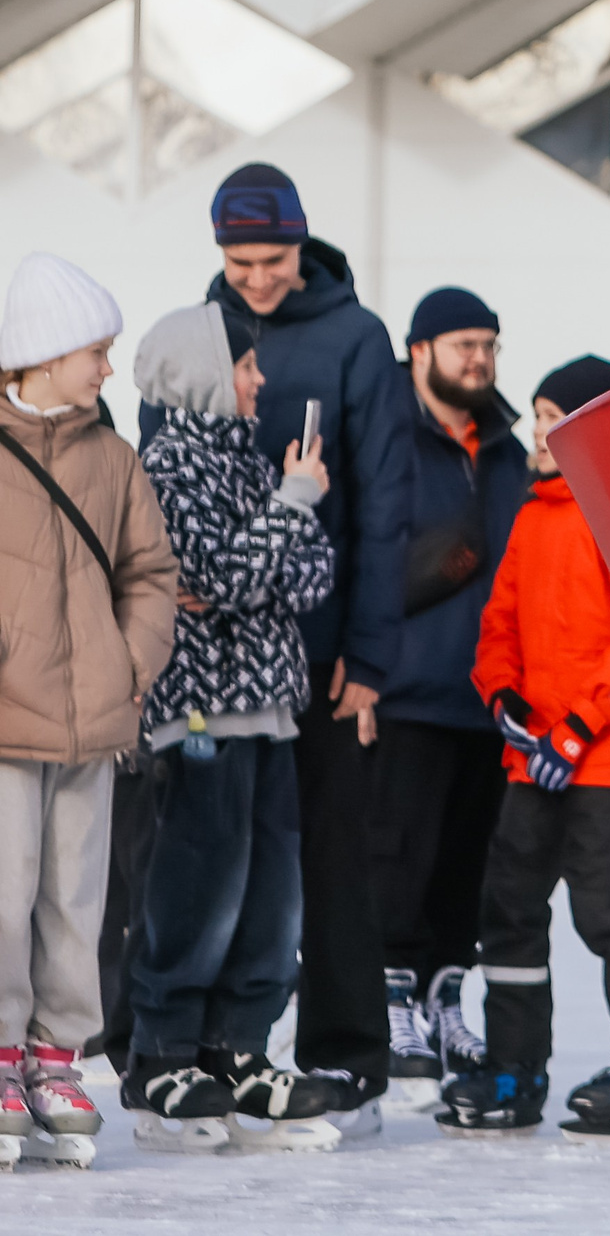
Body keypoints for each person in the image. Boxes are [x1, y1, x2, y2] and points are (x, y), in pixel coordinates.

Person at [142, 162, 414, 1133]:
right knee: (211, 855)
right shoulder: (197, 337)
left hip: (322, 649)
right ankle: (199, 1050)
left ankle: (344, 1054)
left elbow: (384, 509)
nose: (255, 276)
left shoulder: (356, 339)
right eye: (239, 259)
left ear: (303, 246)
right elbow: (159, 503)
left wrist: (370, 654)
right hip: (214, 670)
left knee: (324, 854)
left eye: (273, 258)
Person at [438, 357, 610, 1140]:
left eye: (558, 416)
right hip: (536, 758)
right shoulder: (534, 514)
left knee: (607, 911)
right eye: (541, 415)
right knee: (510, 910)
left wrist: (578, 728)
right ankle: (517, 1069)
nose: (542, 430)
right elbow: (500, 626)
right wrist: (505, 698)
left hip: (608, 758)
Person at [123, 303, 341, 1152]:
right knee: (199, 885)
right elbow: (214, 570)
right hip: (200, 710)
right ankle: (162, 1051)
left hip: (270, 710)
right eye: (244, 367)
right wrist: (288, 510)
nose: (259, 381)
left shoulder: (251, 465)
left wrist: (271, 535)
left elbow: (308, 575)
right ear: (203, 371)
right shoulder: (170, 467)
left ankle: (238, 1049)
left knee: (270, 896)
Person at [0, 255, 179, 1167]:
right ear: (41, 353)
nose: (107, 369)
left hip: (93, 721)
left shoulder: (113, 460)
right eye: (95, 352)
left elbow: (151, 575)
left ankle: (54, 1056)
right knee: (1, 893)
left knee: (77, 899)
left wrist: (128, 665)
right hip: (4, 725)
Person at [373, 288, 528, 1098]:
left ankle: (445, 1001)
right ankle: (391, 1003)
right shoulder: (389, 432)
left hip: (490, 697)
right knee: (399, 857)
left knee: (469, 867)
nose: (479, 360)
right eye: (464, 344)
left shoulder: (505, 447)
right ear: (421, 351)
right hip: (406, 687)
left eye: (489, 345)